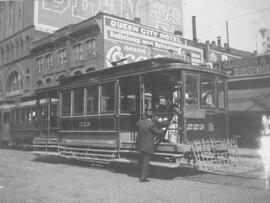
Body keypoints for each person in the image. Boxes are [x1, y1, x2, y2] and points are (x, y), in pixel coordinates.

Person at [135, 112, 164, 182]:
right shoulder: (151, 124)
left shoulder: (140, 122)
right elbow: (160, 132)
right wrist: (161, 126)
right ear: (151, 117)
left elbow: (136, 126)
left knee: (142, 160)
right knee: (146, 161)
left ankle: (143, 174)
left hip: (140, 145)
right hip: (147, 145)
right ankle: (143, 177)